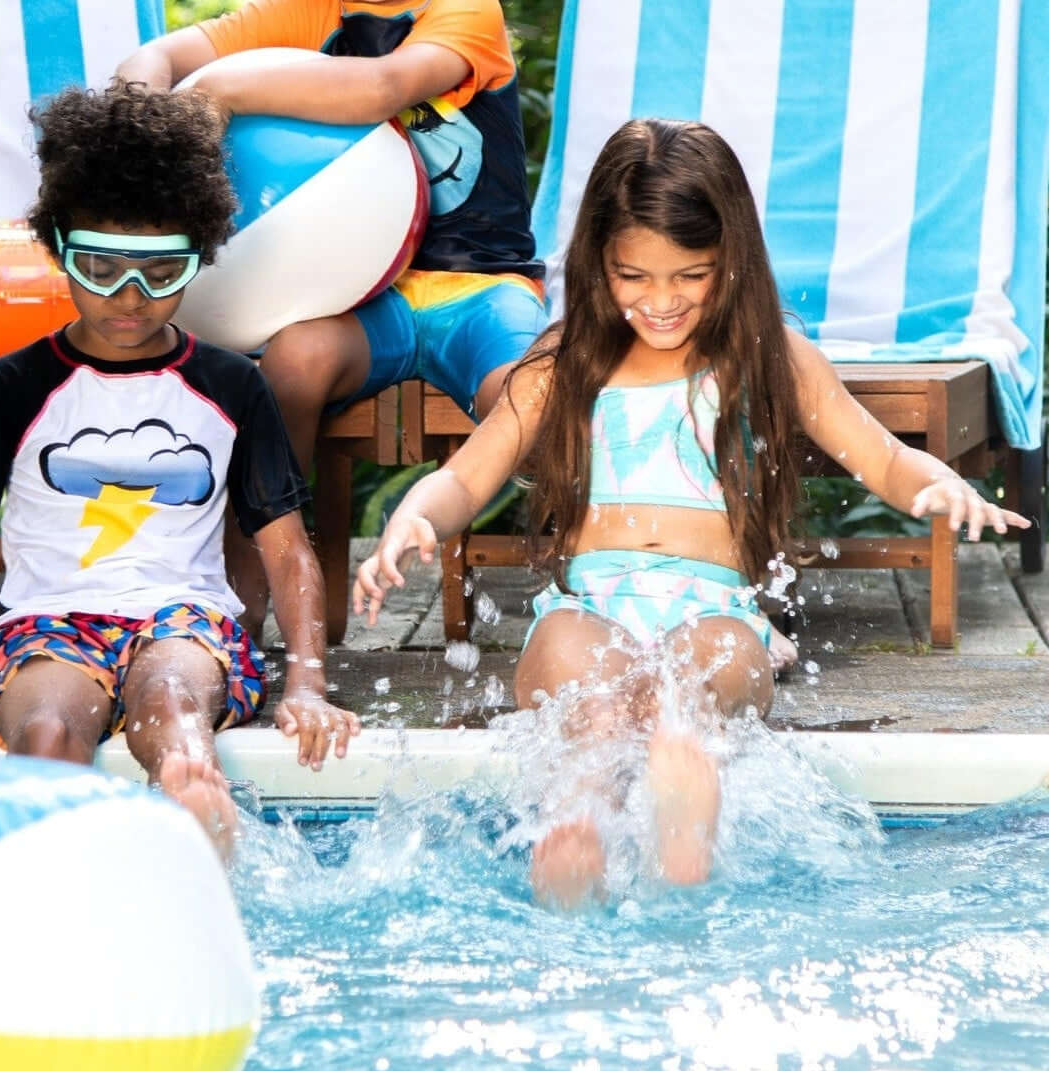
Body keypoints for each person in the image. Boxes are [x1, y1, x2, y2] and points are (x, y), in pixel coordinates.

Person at [354, 118, 1029, 905]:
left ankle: (682, 829)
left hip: (715, 608)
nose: (661, 301)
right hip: (587, 603)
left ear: (732, 261)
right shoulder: (563, 359)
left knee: (688, 690)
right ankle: (578, 831)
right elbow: (468, 479)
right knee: (594, 709)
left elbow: (881, 455)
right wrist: (415, 516)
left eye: (690, 275)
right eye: (632, 276)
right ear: (596, 262)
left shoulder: (770, 357)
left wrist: (938, 485)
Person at [0, 82, 359, 858]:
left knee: (173, 706)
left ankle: (190, 810)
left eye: (160, 272)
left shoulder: (230, 385)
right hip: (47, 627)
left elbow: (287, 552)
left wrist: (307, 684)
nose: (131, 298)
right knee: (44, 736)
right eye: (102, 267)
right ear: (59, 249)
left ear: (199, 258)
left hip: (187, 620)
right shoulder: (15, 387)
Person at [116, 0, 546, 638]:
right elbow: (164, 57)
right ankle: (244, 602)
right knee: (293, 357)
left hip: (479, 290)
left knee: (531, 398)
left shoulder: (468, 10)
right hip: (358, 304)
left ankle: (612, 578)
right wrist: (140, 103)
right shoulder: (303, 13)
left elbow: (383, 88)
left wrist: (223, 91)